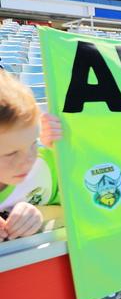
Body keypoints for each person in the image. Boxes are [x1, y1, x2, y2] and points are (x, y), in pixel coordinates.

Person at [0, 70, 61, 241]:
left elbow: (85, 202)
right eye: (11, 153)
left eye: (34, 143)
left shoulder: (46, 166)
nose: (28, 161)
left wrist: (41, 214)